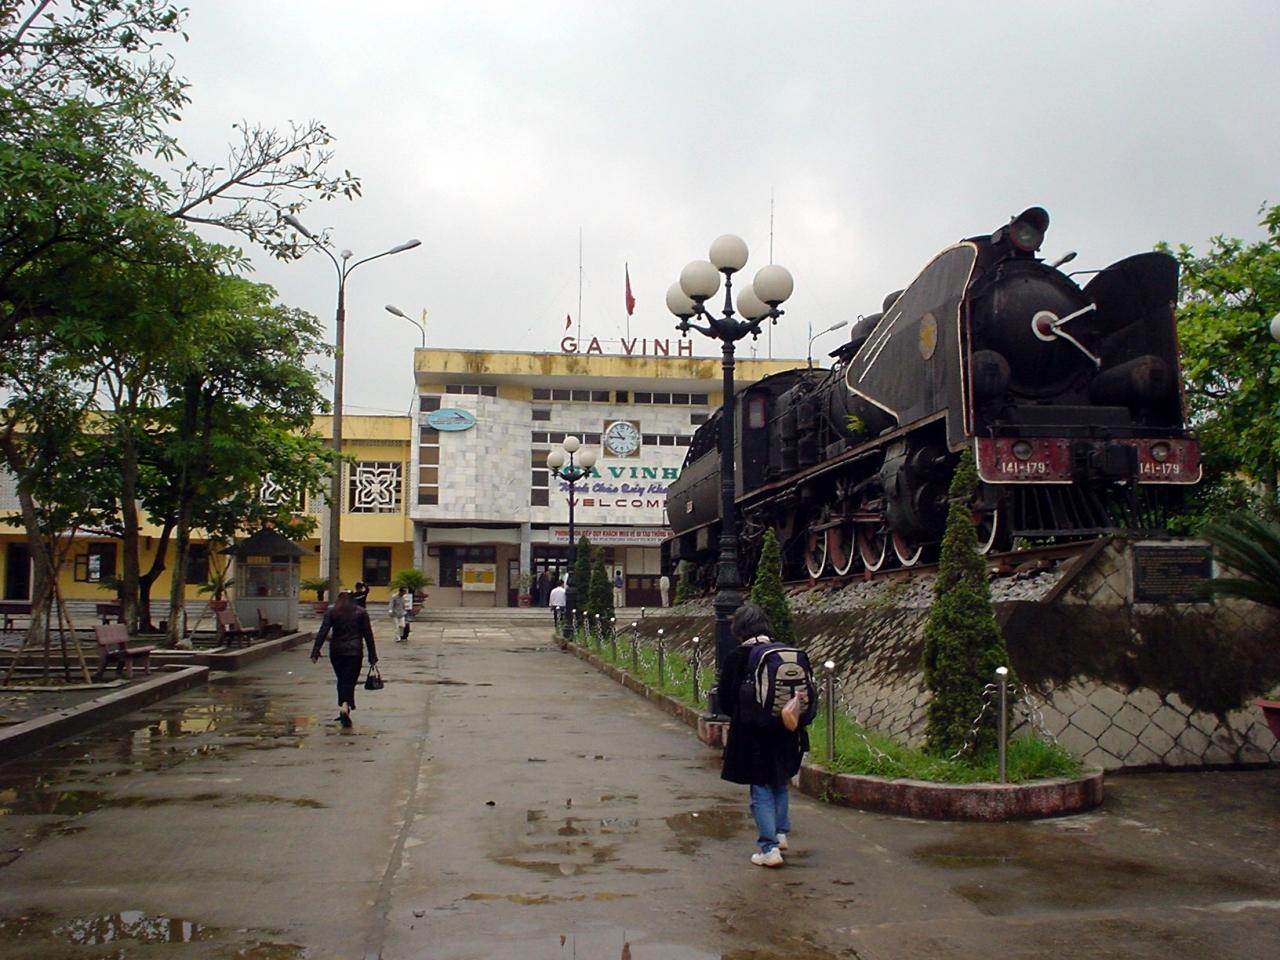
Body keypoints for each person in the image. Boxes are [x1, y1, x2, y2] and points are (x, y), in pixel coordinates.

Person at [718, 603, 807, 868]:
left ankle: (768, 849)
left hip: (753, 734)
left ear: (740, 629)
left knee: (760, 787)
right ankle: (780, 834)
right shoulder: (785, 652)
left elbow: (725, 700)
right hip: (786, 730)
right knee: (780, 781)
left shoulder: (738, 656)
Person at [310, 591, 377, 728]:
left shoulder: (332, 612)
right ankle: (346, 706)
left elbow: (323, 630)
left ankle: (344, 705)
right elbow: (368, 634)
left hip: (337, 651)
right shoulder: (361, 612)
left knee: (342, 679)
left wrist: (316, 649)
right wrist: (372, 655)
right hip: (355, 652)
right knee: (350, 680)